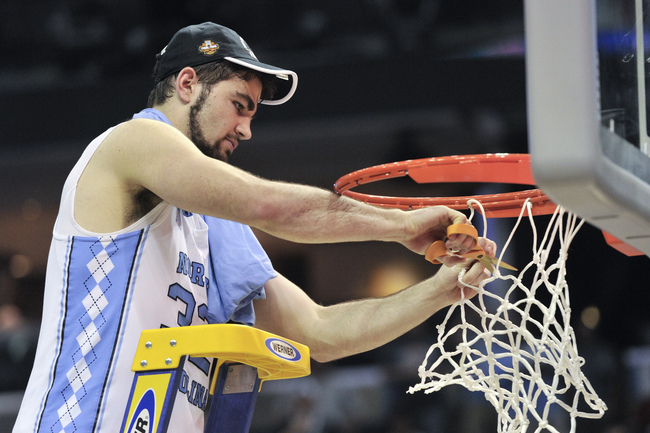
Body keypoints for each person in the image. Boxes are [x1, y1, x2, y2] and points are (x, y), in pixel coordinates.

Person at [13, 22, 495, 433]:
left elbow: (321, 331)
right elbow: (270, 206)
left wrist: (443, 288)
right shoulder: (134, 142)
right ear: (187, 84)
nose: (246, 128)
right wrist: (399, 223)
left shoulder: (213, 223)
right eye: (240, 104)